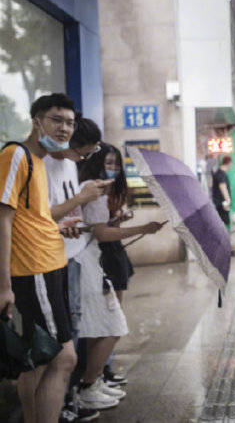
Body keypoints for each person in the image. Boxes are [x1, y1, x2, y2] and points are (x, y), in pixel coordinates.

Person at [0, 93, 80, 423]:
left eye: (70, 123)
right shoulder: (15, 154)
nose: (65, 128)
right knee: (59, 358)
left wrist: (59, 227)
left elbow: (30, 218)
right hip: (33, 272)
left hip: (49, 269)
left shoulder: (39, 162)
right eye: (56, 120)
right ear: (37, 121)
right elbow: (3, 218)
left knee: (43, 358)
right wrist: (4, 285)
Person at [74, 143, 165, 410]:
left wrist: (119, 221)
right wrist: (143, 228)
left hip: (95, 263)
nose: (112, 168)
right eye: (108, 163)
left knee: (106, 326)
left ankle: (93, 382)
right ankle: (89, 386)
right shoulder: (95, 188)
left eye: (116, 164)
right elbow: (99, 233)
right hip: (91, 265)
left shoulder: (99, 188)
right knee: (112, 326)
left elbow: (97, 227)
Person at [44, 115, 108, 422]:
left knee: (76, 326)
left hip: (74, 254)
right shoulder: (40, 165)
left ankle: (70, 400)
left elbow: (64, 212)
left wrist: (74, 221)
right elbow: (39, 218)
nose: (84, 159)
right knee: (62, 338)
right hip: (51, 262)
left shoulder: (69, 165)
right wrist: (80, 200)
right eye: (84, 152)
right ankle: (62, 405)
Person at [211, 155, 232, 226]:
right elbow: (222, 187)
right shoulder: (221, 174)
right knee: (224, 223)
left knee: (221, 224)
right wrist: (228, 200)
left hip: (219, 203)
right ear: (229, 163)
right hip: (222, 203)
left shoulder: (218, 173)